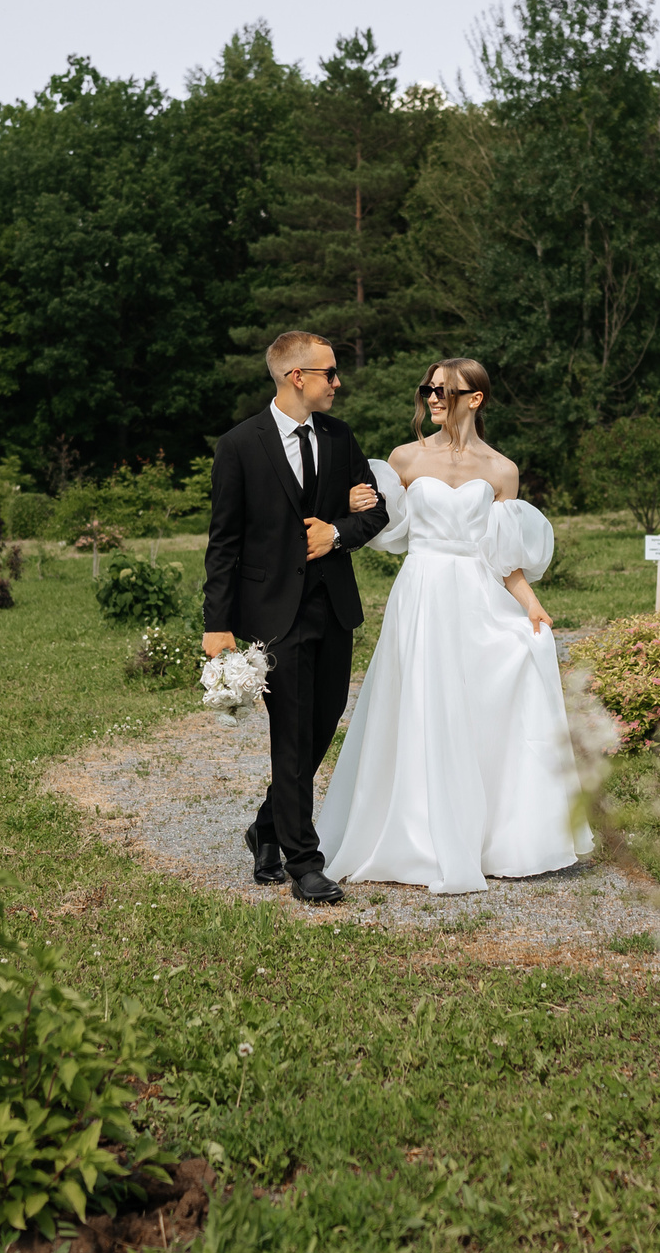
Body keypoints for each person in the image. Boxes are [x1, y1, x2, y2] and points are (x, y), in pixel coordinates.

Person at [314, 358, 587, 893]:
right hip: (421, 591)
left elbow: (503, 555)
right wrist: (346, 503)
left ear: (475, 399)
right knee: (417, 703)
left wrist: (531, 605)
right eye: (429, 389)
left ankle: (488, 837)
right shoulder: (405, 458)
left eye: (444, 390)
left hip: (477, 596)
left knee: (479, 703)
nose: (433, 398)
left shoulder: (502, 469)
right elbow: (374, 521)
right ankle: (412, 834)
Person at [201, 331, 390, 904]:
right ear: (296, 377)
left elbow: (376, 510)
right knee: (291, 732)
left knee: (322, 724)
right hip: (271, 614)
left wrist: (337, 532)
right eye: (329, 372)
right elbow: (224, 543)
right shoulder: (239, 445)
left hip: (332, 606)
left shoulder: (339, 436)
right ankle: (304, 862)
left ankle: (266, 827)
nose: (337, 382)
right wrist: (217, 624)